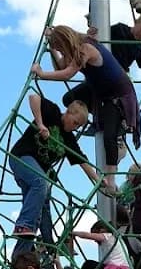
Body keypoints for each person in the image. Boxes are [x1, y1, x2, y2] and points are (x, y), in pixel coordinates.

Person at [32, 25, 140, 180]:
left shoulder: (85, 49)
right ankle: (101, 119)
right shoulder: (77, 47)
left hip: (117, 94)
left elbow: (68, 73)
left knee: (109, 136)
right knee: (68, 99)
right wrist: (51, 43)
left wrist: (41, 74)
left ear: (66, 42)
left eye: (61, 48)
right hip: (99, 89)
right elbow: (62, 65)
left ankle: (110, 179)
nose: (62, 52)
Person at [9, 89, 97, 247]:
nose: (75, 127)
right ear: (68, 113)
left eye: (79, 126)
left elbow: (82, 161)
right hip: (21, 157)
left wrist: (99, 181)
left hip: (37, 170)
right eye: (75, 122)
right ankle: (23, 225)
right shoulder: (53, 113)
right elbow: (33, 97)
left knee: (40, 206)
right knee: (41, 183)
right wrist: (40, 123)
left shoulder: (68, 139)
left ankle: (28, 254)